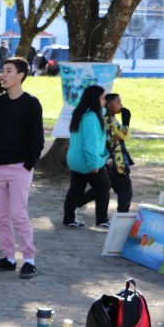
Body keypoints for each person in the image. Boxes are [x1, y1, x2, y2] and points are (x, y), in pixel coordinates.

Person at [0, 57, 44, 279]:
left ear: (20, 75)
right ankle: (8, 257)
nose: (3, 74)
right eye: (2, 71)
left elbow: (37, 139)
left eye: (8, 71)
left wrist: (28, 164)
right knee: (1, 216)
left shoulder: (31, 104)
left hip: (20, 168)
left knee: (19, 214)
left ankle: (29, 259)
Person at [62, 85, 111, 228]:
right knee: (104, 186)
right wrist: (94, 164)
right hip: (87, 161)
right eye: (102, 98)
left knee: (76, 188)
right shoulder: (91, 117)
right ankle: (102, 220)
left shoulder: (81, 113)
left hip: (75, 160)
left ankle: (69, 217)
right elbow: (91, 144)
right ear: (95, 99)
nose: (105, 101)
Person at [104, 93, 133, 213]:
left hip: (113, 159)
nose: (121, 104)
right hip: (116, 160)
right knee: (125, 190)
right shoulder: (109, 120)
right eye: (118, 102)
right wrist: (126, 122)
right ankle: (122, 215)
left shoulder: (110, 119)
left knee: (103, 187)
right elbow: (123, 135)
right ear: (109, 105)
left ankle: (77, 202)